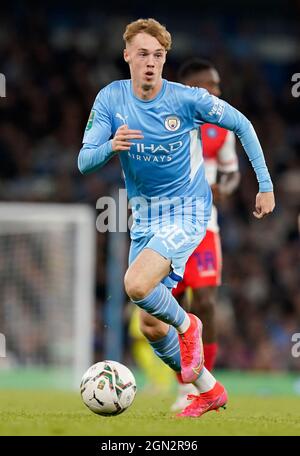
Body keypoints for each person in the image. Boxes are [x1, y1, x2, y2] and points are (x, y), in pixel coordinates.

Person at [78, 18, 275, 418]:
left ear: (164, 59)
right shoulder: (110, 99)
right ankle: (208, 390)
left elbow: (242, 123)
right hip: (144, 216)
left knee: (135, 284)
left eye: (159, 55)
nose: (150, 62)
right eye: (143, 54)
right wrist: (110, 146)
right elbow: (84, 160)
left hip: (188, 209)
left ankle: (189, 327)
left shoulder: (186, 99)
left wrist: (265, 184)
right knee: (150, 325)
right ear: (127, 55)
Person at [171, 58, 241, 411]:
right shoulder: (166, 123)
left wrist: (225, 188)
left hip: (204, 229)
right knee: (165, 312)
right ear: (189, 88)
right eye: (210, 86)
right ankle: (183, 383)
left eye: (218, 86)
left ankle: (203, 385)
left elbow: (231, 173)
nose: (217, 92)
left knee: (206, 303)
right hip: (166, 227)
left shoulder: (222, 127)